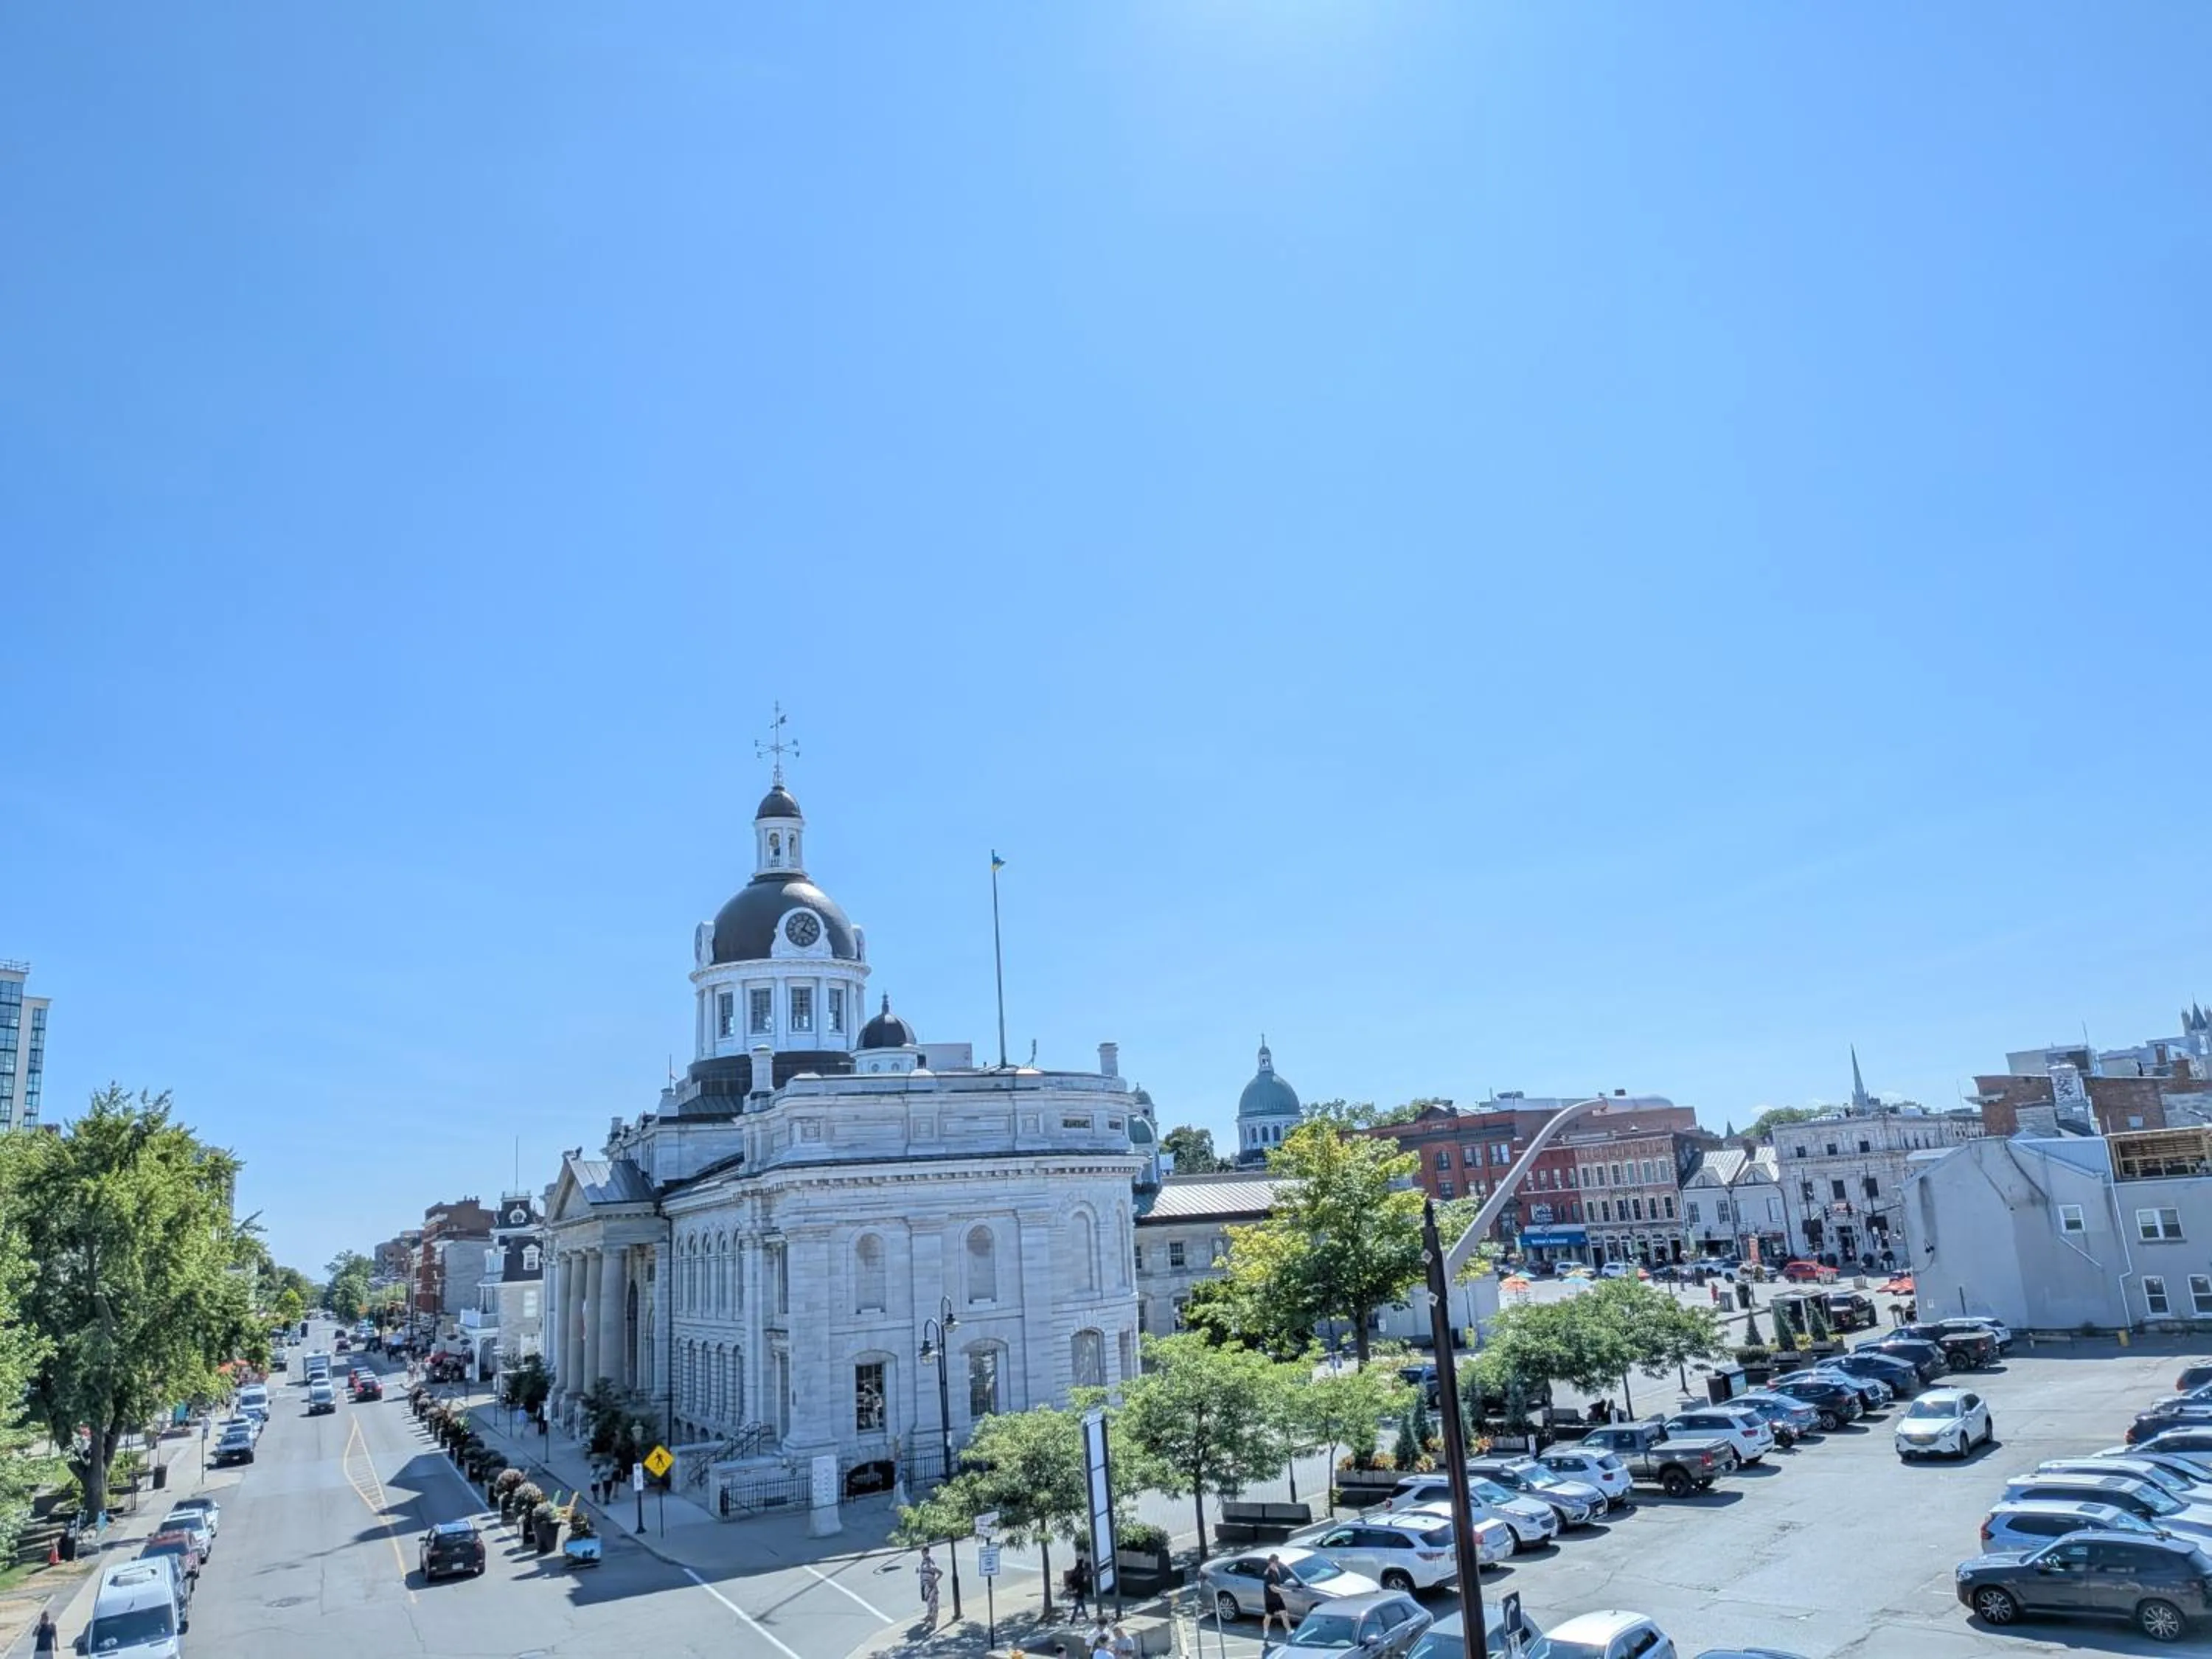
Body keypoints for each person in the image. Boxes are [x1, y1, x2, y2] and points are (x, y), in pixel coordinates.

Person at [1261, 1551, 1295, 1644]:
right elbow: (1273, 1588)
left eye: (1277, 1562)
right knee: (1268, 1616)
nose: (1277, 1563)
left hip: (1277, 1598)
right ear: (1271, 1562)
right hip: (1270, 1599)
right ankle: (1266, 1633)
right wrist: (1285, 1592)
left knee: (1284, 1613)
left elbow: (1278, 1583)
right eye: (1276, 1562)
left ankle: (1289, 1631)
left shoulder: (1276, 1570)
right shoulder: (1268, 1574)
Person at [917, 1545, 942, 1629]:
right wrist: (919, 1571)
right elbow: (925, 1571)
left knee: (933, 1605)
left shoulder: (929, 1562)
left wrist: (934, 1581)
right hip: (926, 1586)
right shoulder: (924, 1561)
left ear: (926, 1552)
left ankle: (933, 1624)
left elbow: (940, 1572)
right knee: (929, 1604)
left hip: (931, 1588)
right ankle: (929, 1617)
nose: (922, 1554)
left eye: (923, 1552)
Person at [1067, 1550, 1092, 1619]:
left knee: (1081, 1605)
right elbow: (1083, 1581)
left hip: (1077, 1590)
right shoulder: (1081, 1572)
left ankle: (1087, 1617)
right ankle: (1073, 1618)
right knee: (1078, 1605)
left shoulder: (1075, 1571)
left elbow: (1070, 1580)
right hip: (1080, 1591)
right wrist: (1086, 1580)